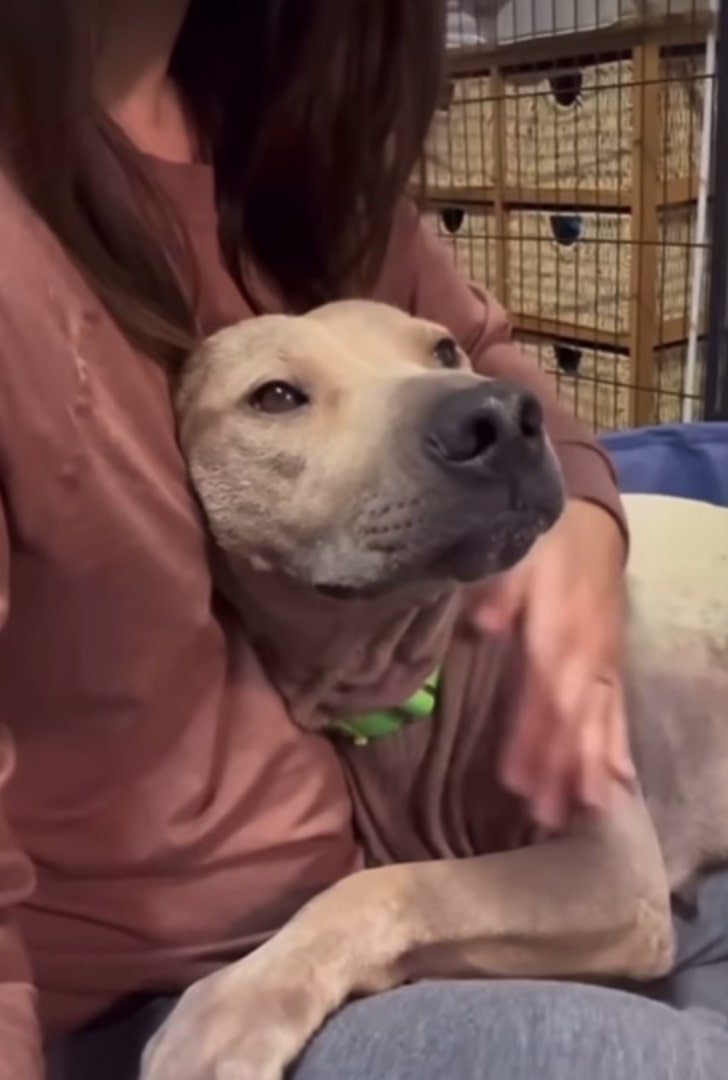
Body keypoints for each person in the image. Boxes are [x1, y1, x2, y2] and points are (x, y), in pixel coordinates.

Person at [0, 2, 725, 1079]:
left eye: (429, 362)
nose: (458, 404)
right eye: (283, 397)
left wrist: (576, 547)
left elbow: (508, 387)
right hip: (153, 981)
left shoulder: (295, 139)